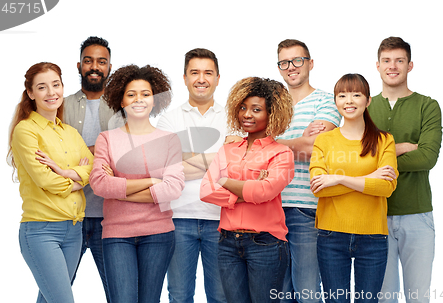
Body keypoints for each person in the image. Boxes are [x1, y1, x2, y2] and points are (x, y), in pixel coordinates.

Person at [89, 64, 184, 303]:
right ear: (121, 101)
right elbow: (100, 184)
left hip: (158, 234)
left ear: (155, 100)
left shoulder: (169, 140)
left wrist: (119, 190)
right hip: (117, 235)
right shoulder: (107, 139)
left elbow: (173, 188)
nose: (138, 100)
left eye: (145, 94)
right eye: (131, 94)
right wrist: (152, 181)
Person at [200, 77, 295, 303]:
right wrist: (250, 190)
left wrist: (224, 180)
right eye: (242, 108)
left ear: (272, 113)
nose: (247, 114)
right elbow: (205, 190)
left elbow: (267, 191)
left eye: (256, 109)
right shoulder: (228, 149)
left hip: (266, 244)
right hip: (227, 243)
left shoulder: (282, 153)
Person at [8, 62, 94, 303]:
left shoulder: (70, 133)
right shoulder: (25, 131)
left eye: (56, 85)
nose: (51, 92)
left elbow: (94, 168)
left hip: (74, 230)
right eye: (42, 87)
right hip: (41, 231)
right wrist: (78, 180)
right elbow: (46, 180)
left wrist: (64, 172)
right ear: (31, 93)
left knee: (49, 300)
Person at [309, 73, 398, 303]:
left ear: (368, 101)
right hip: (331, 235)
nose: (349, 101)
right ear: (336, 101)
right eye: (342, 95)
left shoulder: (384, 140)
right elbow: (319, 187)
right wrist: (368, 177)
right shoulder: (324, 141)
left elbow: (386, 187)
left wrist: (338, 179)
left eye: (356, 95)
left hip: (373, 236)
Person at [368, 37, 442, 303]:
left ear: (409, 65)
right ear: (377, 66)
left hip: (417, 214)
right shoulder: (364, 107)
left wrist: (377, 160)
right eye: (386, 61)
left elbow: (427, 157)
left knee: (418, 297)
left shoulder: (428, 105)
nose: (393, 66)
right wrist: (401, 147)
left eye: (399, 60)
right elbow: (356, 159)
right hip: (374, 214)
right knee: (384, 298)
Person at [157, 48, 234, 303]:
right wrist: (217, 159)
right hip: (178, 219)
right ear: (185, 78)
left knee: (221, 296)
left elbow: (234, 164)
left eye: (208, 73)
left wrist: (185, 157)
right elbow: (166, 166)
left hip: (221, 219)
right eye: (195, 72)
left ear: (218, 78)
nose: (201, 78)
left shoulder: (233, 120)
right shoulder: (168, 120)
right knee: (179, 295)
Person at [275, 39, 342, 303]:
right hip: (271, 208)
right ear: (279, 68)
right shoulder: (272, 107)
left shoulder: (326, 101)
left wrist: (273, 144)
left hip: (306, 208)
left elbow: (314, 148)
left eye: (297, 60)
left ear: (310, 63)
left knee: (307, 292)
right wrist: (296, 142)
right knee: (279, 295)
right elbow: (257, 150)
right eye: (284, 62)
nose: (291, 67)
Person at [64, 36, 122, 303]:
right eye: (88, 61)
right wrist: (101, 149)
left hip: (108, 219)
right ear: (79, 66)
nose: (94, 67)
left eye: (101, 61)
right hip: (67, 217)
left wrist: (81, 153)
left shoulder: (124, 108)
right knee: (56, 292)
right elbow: (51, 156)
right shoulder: (60, 106)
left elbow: (125, 157)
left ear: (109, 67)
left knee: (119, 295)